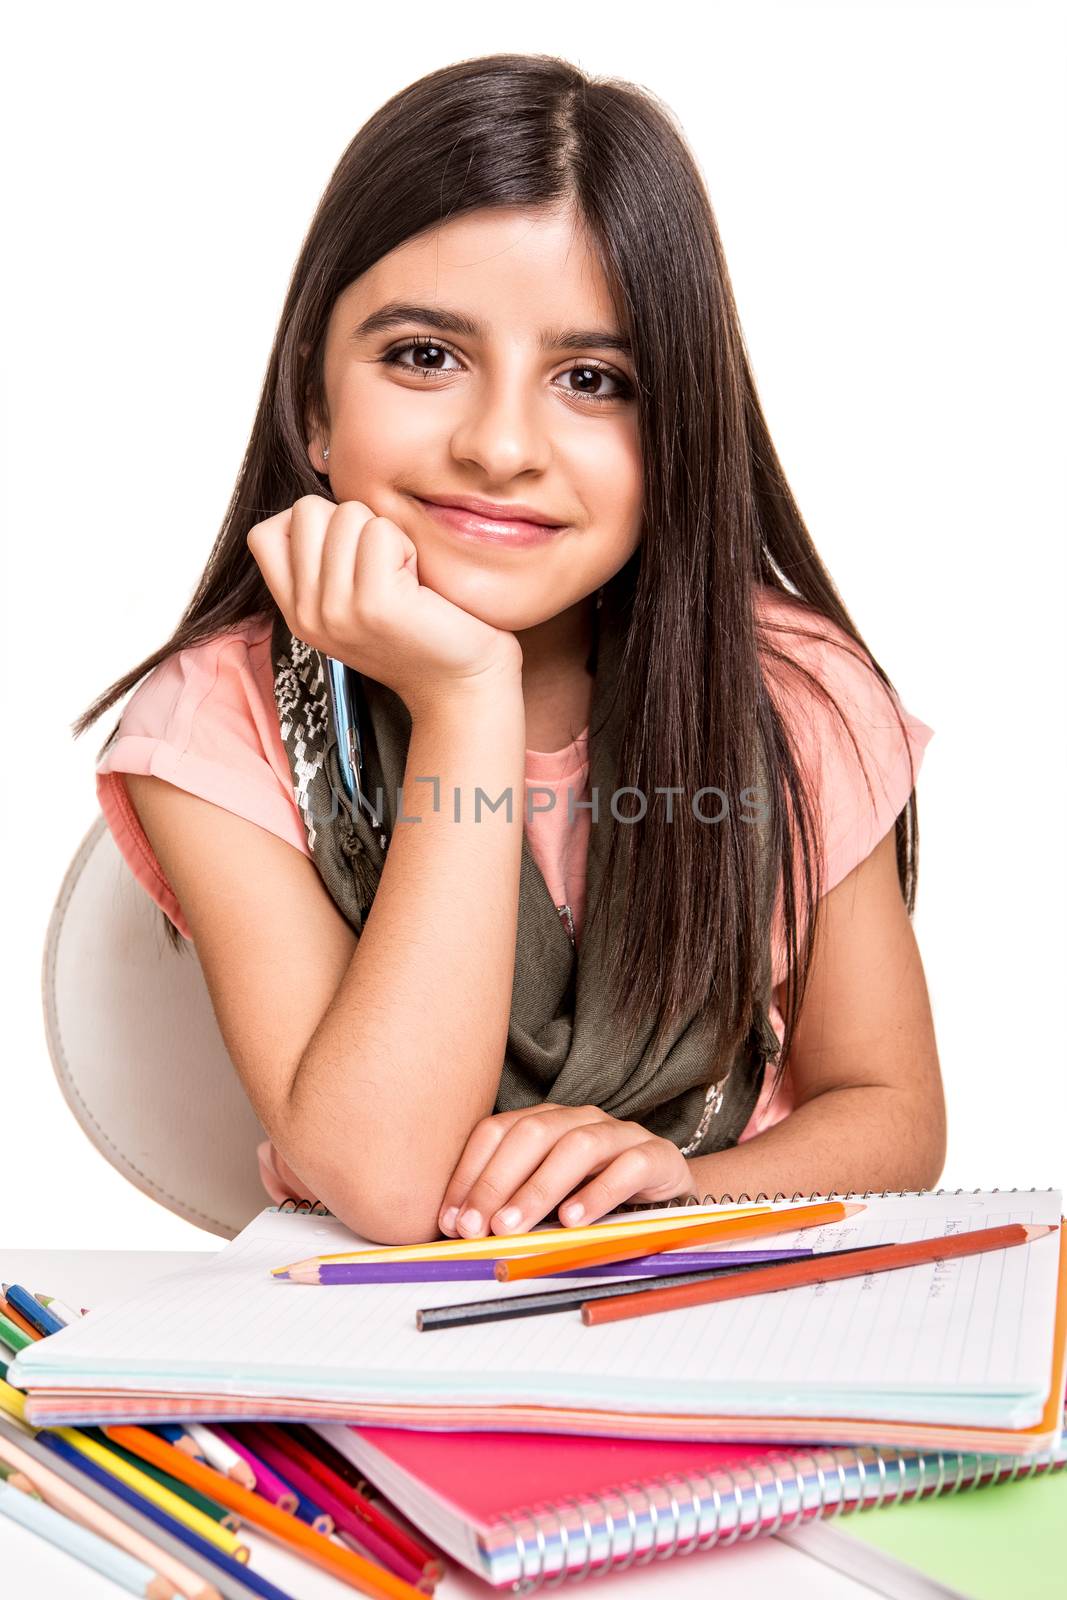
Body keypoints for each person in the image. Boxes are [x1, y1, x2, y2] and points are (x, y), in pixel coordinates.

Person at [75, 53, 944, 1247]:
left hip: (720, 1305)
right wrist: (464, 694)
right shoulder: (219, 718)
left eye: (591, 379)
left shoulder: (793, 696)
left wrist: (668, 1188)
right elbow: (385, 1177)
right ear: (314, 408)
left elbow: (891, 1113)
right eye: (424, 355)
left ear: (675, 432)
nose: (499, 444)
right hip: (376, 1343)